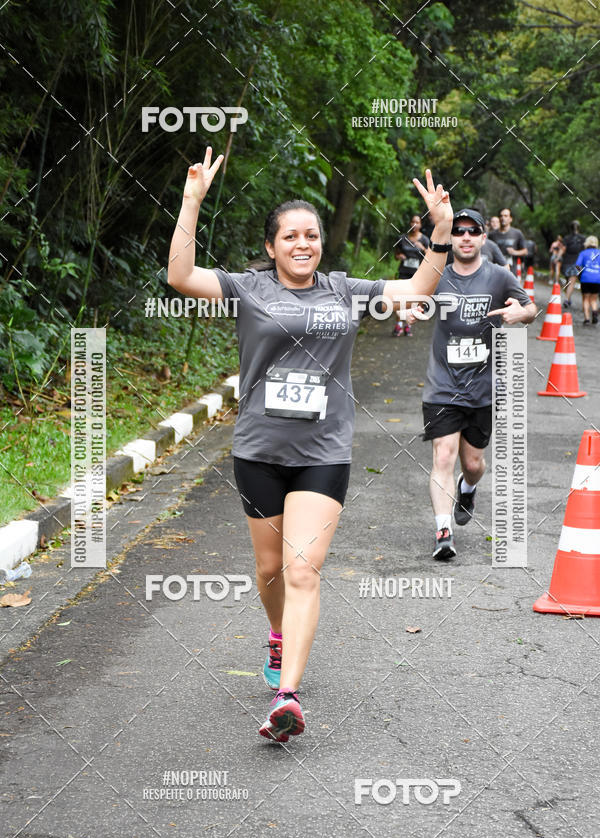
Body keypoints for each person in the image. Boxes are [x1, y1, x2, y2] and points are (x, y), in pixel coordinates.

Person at [167, 148, 454, 742]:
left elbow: (417, 290)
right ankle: (277, 636)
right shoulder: (247, 288)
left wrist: (441, 233)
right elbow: (180, 277)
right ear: (271, 246)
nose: (304, 244)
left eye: (313, 235)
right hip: (258, 451)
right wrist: (191, 202)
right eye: (291, 236)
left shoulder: (345, 291)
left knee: (302, 569)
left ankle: (287, 697)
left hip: (324, 453)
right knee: (271, 569)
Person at [406, 208, 536, 560]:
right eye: (459, 231)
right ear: (451, 238)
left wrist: (521, 314)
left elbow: (530, 309)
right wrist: (410, 311)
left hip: (483, 387)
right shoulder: (437, 274)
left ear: (483, 238)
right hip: (442, 385)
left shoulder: (499, 276)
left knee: (474, 463)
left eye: (472, 231)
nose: (465, 237)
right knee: (443, 455)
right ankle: (443, 531)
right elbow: (413, 299)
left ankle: (467, 487)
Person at [392, 214, 430, 337]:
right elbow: (396, 254)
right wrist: (399, 256)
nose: (414, 224)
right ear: (410, 223)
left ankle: (408, 325)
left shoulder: (425, 240)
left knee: (412, 301)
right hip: (403, 272)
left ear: (420, 225)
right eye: (413, 221)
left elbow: (430, 257)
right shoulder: (402, 238)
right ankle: (399, 325)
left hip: (417, 275)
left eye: (417, 222)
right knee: (400, 299)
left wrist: (423, 248)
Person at [488, 208, 528, 277]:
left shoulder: (517, 233)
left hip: (511, 272)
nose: (503, 218)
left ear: (510, 219)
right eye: (501, 216)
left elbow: (525, 251)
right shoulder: (492, 235)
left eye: (506, 216)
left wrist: (515, 252)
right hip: (495, 272)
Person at [575, 235, 600, 325]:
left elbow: (577, 265)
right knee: (594, 299)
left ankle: (587, 319)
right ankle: (594, 313)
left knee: (585, 299)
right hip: (597, 279)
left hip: (586, 278)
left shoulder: (583, 253)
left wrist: (581, 272)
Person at [562, 220, 586, 308]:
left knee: (568, 281)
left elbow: (563, 249)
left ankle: (567, 299)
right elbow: (585, 250)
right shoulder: (583, 238)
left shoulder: (567, 238)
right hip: (578, 263)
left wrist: (558, 257)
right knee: (572, 282)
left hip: (567, 262)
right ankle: (568, 299)